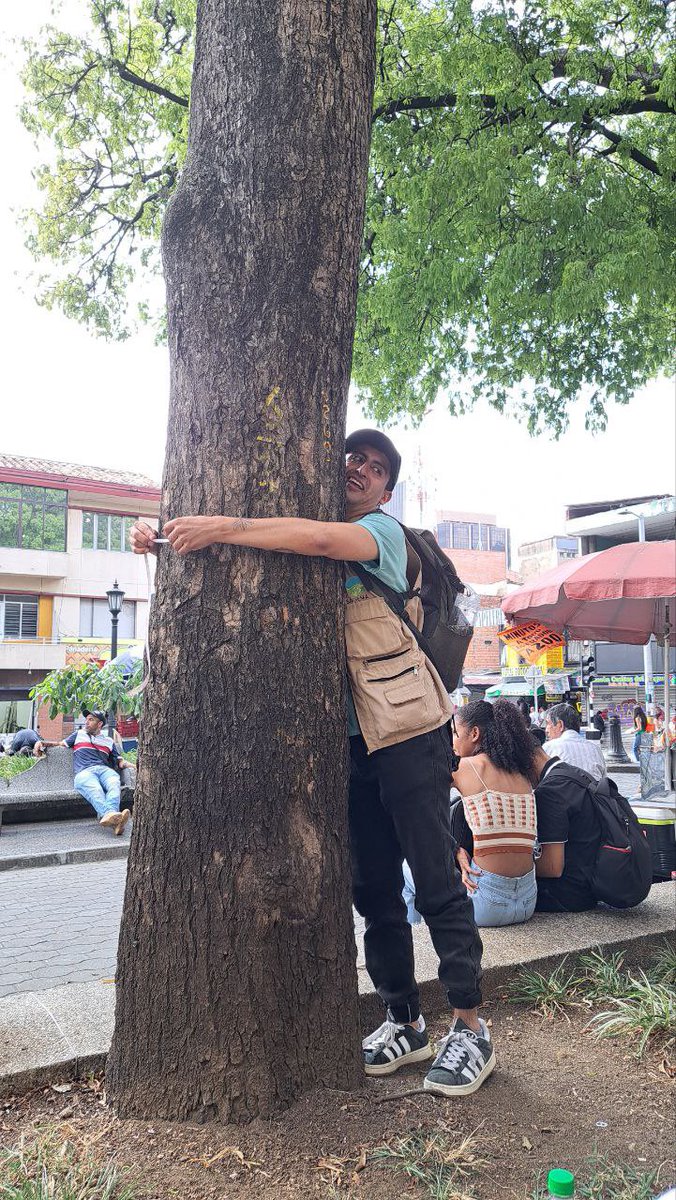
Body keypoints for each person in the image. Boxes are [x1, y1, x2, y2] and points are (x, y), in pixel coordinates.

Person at [130, 429, 494, 1099]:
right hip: (352, 742)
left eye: (376, 468)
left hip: (410, 731)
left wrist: (218, 527)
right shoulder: (307, 526)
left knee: (435, 879)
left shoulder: (382, 534)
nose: (360, 469)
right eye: (353, 457)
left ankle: (471, 1027)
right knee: (374, 888)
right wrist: (160, 540)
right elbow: (282, 546)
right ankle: (405, 1020)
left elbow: (322, 541)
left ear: (386, 492)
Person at [448, 700, 539, 927]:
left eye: (455, 733)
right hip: (528, 901)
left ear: (474, 733)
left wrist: (453, 848)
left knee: (407, 871)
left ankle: (417, 940)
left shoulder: (464, 767)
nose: (452, 742)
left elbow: (424, 808)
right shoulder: (522, 774)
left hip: (486, 902)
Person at [531, 745, 602, 912]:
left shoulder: (549, 791)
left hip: (567, 896)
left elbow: (552, 867)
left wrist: (510, 864)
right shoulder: (576, 774)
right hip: (590, 887)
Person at [61, 710, 132, 835]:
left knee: (114, 782)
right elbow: (60, 744)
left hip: (104, 771)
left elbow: (120, 762)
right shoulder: (78, 734)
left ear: (99, 724)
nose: (86, 722)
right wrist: (41, 743)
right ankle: (113, 816)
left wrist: (133, 766)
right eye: (86, 719)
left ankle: (113, 819)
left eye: (91, 720)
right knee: (96, 789)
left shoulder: (109, 741)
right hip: (85, 772)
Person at [543, 702, 606, 781]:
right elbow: (604, 781)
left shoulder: (549, 747)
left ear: (560, 725)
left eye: (548, 723)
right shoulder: (596, 749)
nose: (546, 730)